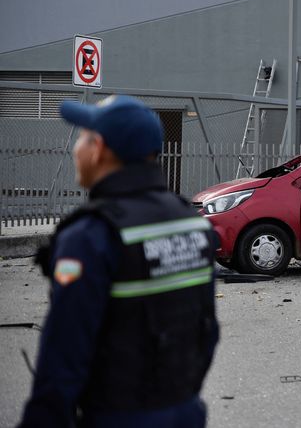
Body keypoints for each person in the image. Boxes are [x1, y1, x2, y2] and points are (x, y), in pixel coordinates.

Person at [20, 95, 219, 428]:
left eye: (82, 138)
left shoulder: (89, 236)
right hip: (185, 411)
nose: (76, 149)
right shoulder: (192, 222)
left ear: (98, 149)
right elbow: (207, 331)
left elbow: (63, 359)